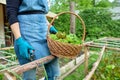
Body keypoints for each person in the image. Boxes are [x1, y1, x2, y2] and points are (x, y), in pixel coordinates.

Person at [6, 0, 60, 80]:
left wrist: (49, 26)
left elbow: (39, 12)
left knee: (54, 74)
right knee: (29, 76)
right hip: (27, 34)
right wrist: (19, 40)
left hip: (44, 33)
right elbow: (11, 13)